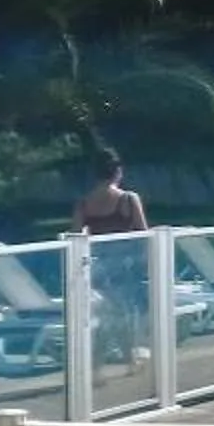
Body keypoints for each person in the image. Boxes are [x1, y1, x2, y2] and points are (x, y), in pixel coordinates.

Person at [73, 151, 151, 367]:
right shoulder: (128, 199)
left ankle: (116, 360)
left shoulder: (84, 203)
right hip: (125, 267)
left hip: (99, 268)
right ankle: (116, 361)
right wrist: (147, 262)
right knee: (121, 314)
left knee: (112, 314)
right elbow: (143, 234)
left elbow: (75, 237)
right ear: (117, 172)